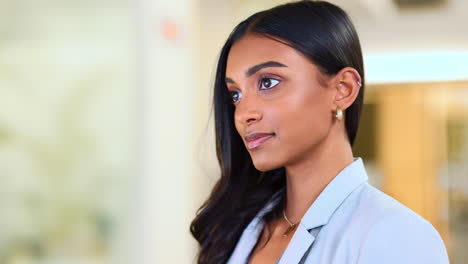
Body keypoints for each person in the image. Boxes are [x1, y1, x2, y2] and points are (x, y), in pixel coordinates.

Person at [190, 1, 450, 263]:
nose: (243, 113)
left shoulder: (397, 236)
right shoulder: (239, 228)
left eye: (268, 82)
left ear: (343, 89)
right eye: (235, 94)